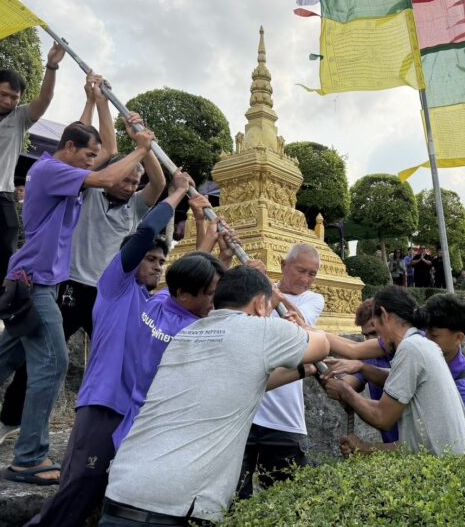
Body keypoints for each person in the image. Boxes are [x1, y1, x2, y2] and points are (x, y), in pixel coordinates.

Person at [0, 76, 167, 452]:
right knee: (45, 363)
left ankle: (114, 428)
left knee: (13, 359)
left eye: (137, 181)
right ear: (71, 150)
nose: (131, 184)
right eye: (127, 178)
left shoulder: (103, 188)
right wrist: (141, 147)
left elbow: (104, 150)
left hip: (96, 291)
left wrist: (100, 103)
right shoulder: (74, 181)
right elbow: (105, 161)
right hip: (53, 285)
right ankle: (25, 447)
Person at [23, 170, 192, 525]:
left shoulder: (153, 305)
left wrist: (213, 242)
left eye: (162, 262)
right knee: (79, 485)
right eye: (151, 260)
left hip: (131, 412)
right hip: (102, 402)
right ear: (131, 260)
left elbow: (192, 287)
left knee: (99, 488)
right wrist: (176, 196)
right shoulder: (116, 287)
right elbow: (146, 232)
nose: (158, 267)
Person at [99, 266, 330, 525]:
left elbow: (242, 380)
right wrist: (301, 327)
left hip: (122, 490)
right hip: (175, 508)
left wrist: (301, 371)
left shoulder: (186, 334)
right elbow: (322, 344)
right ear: (260, 304)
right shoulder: (261, 330)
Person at [0, 43, 66, 330]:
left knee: (6, 252)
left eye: (15, 97)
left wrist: (51, 66)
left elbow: (45, 99)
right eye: (4, 95)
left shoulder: (20, 118)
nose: (10, 102)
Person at [324, 286, 465, 457]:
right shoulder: (422, 345)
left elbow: (382, 417)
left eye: (376, 328)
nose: (378, 338)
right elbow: (395, 382)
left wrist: (345, 392)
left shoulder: (411, 348)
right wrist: (362, 368)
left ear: (385, 315)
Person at [112, 244, 233, 450]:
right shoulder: (193, 331)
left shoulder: (155, 303)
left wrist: (222, 260)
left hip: (133, 425)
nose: (217, 301)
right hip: (160, 437)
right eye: (212, 294)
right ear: (184, 294)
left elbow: (180, 281)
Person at [238, 243, 325, 499]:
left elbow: (302, 328)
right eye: (301, 271)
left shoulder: (313, 299)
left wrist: (275, 294)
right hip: (246, 411)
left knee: (288, 496)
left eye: (312, 274)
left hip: (284, 417)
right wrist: (257, 283)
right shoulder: (257, 293)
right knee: (234, 497)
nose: (306, 279)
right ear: (284, 266)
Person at [324, 299, 397, 444]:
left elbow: (391, 378)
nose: (370, 340)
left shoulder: (408, 352)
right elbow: (343, 386)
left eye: (375, 333)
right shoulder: (368, 358)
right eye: (366, 335)